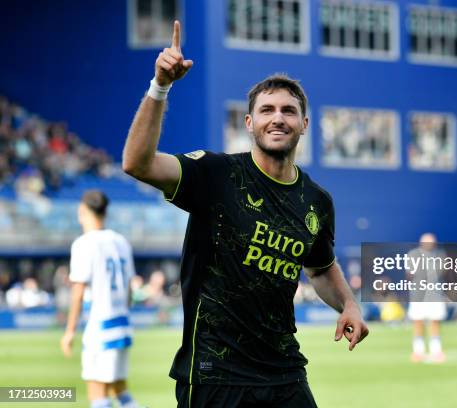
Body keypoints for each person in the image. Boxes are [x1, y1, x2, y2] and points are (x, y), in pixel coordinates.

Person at [122, 21, 368, 407]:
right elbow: (138, 163)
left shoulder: (316, 201)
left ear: (304, 125)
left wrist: (349, 304)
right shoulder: (216, 173)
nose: (278, 118)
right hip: (213, 376)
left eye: (289, 111)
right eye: (266, 110)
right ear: (249, 123)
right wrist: (160, 86)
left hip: (285, 374)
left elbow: (320, 268)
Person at [60, 190, 141, 408]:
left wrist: (69, 332)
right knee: (121, 391)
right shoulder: (121, 241)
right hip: (122, 324)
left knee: (98, 396)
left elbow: (77, 292)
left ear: (82, 211)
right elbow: (129, 292)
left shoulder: (83, 244)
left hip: (100, 326)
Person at [407, 233, 447, 363]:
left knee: (435, 323)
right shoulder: (413, 255)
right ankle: (418, 351)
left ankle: (436, 351)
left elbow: (442, 272)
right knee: (418, 323)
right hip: (418, 296)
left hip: (435, 295)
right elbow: (410, 274)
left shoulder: (440, 255)